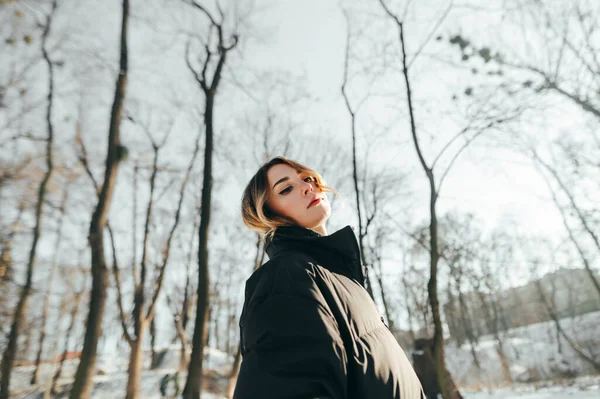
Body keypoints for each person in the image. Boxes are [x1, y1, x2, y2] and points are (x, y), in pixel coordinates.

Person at [233, 156, 425, 399]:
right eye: (287, 188)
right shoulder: (286, 278)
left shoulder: (345, 282)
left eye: (307, 178)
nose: (307, 187)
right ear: (270, 214)